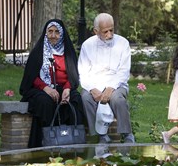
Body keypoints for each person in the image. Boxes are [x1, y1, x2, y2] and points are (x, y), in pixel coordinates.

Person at [19, 19, 85, 148]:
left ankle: (72, 144)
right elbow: (31, 76)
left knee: (75, 100)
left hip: (64, 88)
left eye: (56, 32)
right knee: (45, 102)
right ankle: (46, 143)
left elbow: (73, 75)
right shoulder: (38, 52)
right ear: (46, 33)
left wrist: (67, 89)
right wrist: (46, 88)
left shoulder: (68, 53)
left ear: (62, 34)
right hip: (42, 89)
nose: (53, 35)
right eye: (50, 32)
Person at [78, 13, 135, 143]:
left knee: (118, 99)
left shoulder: (122, 43)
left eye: (111, 30)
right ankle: (99, 135)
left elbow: (123, 71)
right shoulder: (87, 45)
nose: (109, 34)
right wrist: (92, 88)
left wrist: (111, 88)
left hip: (117, 84)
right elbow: (83, 72)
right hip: (94, 83)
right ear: (96, 31)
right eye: (105, 32)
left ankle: (127, 135)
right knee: (86, 98)